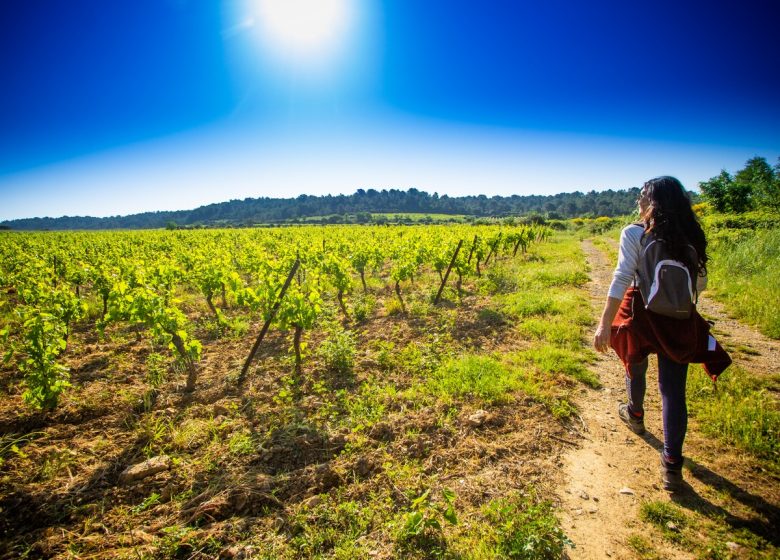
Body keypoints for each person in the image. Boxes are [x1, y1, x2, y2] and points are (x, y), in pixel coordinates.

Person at [593, 176, 730, 492]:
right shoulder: (692, 236)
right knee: (673, 391)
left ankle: (635, 413)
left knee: (634, 365)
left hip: (642, 314)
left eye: (643, 195)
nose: (638, 200)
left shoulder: (635, 233)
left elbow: (621, 278)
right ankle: (672, 466)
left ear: (654, 202)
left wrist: (604, 324)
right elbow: (701, 285)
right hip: (679, 319)